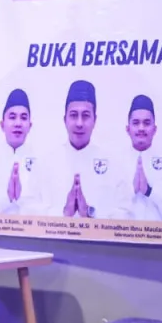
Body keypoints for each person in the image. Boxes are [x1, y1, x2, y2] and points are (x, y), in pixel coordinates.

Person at [111, 95, 162, 222]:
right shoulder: (116, 162)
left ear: (154, 129)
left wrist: (150, 192)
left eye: (146, 123)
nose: (141, 128)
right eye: (136, 123)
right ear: (128, 129)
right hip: (125, 233)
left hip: (159, 234)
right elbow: (105, 205)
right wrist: (131, 191)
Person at [53, 80, 116, 219]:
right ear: (65, 120)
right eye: (73, 115)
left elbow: (125, 214)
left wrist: (90, 213)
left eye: (86, 116)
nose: (79, 123)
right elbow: (30, 209)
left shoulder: (113, 165)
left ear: (95, 120)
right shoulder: (47, 163)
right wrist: (65, 213)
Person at [0, 89, 47, 215]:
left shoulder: (40, 162)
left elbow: (46, 209)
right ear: (2, 125)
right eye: (12, 117)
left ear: (30, 126)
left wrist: (19, 201)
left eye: (23, 118)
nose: (18, 123)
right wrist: (7, 199)